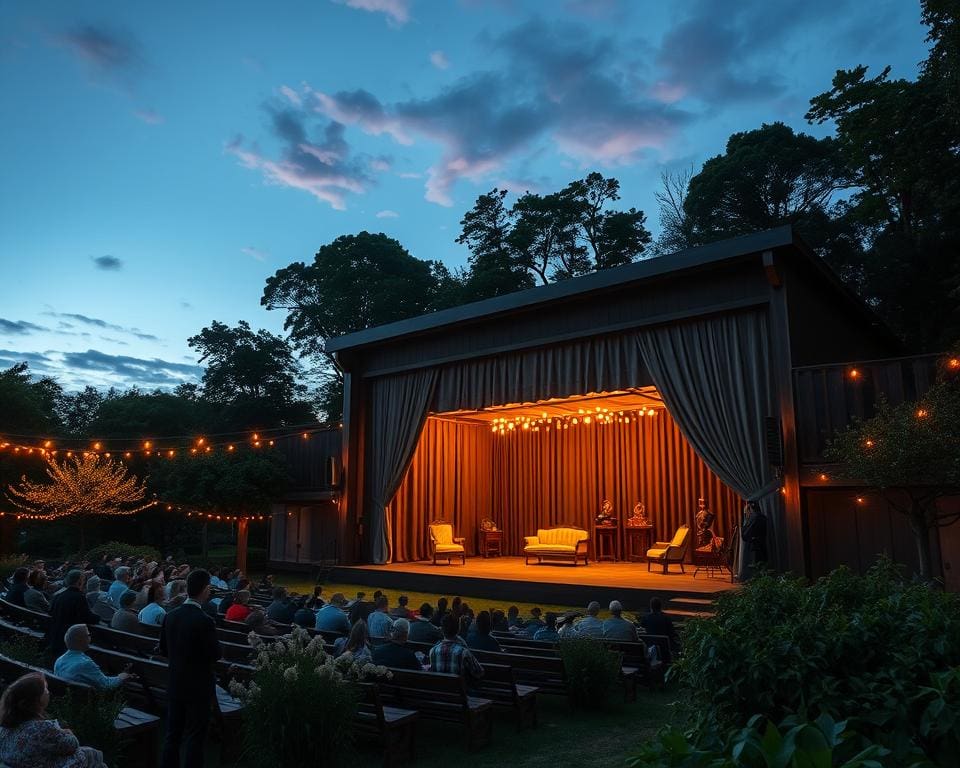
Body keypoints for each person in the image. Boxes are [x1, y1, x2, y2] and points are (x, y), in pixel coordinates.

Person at [159, 569, 221, 768]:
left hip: (176, 681)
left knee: (173, 733)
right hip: (198, 686)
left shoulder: (171, 615)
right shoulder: (203, 620)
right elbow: (215, 654)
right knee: (195, 735)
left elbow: (163, 649)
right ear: (205, 589)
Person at [0, 671, 106, 768]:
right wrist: (68, 733)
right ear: (35, 700)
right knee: (91, 755)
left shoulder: (4, 727)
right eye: (45, 688)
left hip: (22, 763)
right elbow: (72, 745)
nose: (48, 692)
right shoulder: (43, 728)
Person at [54, 624, 132, 691]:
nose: (90, 638)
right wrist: (122, 676)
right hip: (88, 701)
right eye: (88, 635)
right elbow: (106, 685)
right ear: (81, 640)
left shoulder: (60, 660)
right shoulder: (85, 664)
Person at [45, 570, 100, 658]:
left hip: (55, 635)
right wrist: (98, 617)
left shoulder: (59, 595)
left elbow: (50, 611)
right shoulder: (79, 597)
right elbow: (87, 617)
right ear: (79, 581)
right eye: (83, 580)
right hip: (69, 638)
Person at [429, 614, 483, 681]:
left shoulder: (433, 651)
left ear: (442, 630)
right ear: (458, 629)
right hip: (460, 690)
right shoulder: (464, 652)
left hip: (439, 690)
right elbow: (479, 672)